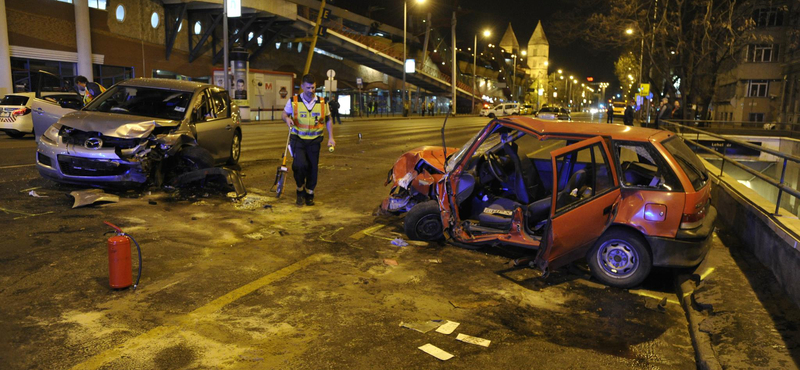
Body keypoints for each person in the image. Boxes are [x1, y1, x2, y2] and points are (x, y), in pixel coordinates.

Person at [281, 74, 335, 206]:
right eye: (308, 88)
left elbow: (328, 119)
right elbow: (284, 114)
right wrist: (287, 119)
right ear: (302, 87)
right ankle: (300, 189)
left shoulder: (322, 102)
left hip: (314, 140)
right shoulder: (293, 101)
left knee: (312, 168)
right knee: (299, 165)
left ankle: (309, 192)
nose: (311, 91)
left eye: (313, 88)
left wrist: (331, 138)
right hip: (298, 139)